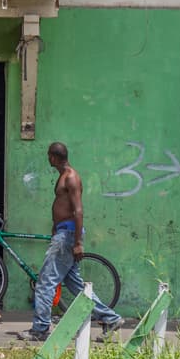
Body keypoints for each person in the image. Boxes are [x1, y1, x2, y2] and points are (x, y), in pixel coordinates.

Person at [18, 142, 123, 342]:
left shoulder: (71, 177)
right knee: (75, 286)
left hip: (66, 236)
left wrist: (77, 243)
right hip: (63, 233)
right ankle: (111, 319)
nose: (48, 159)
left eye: (49, 156)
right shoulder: (64, 176)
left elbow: (78, 210)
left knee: (45, 283)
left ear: (53, 157)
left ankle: (40, 329)